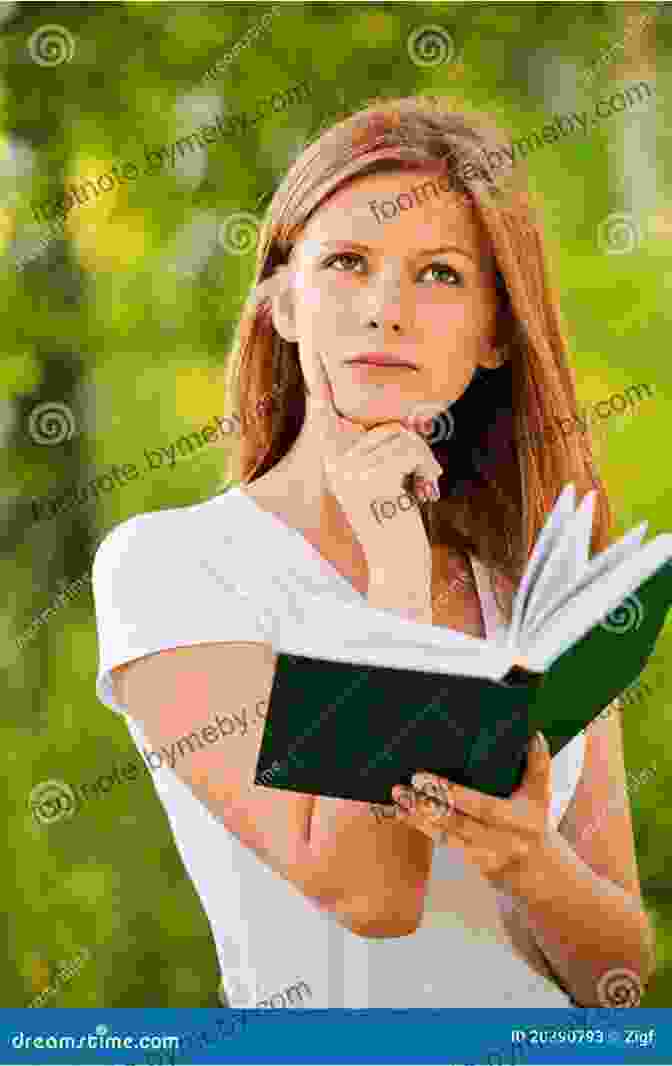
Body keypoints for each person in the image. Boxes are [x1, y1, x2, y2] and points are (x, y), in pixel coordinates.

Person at [92, 96, 655, 1009]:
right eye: (347, 263)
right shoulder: (172, 567)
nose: (385, 311)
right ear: (281, 301)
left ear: (495, 334)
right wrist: (394, 580)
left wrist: (530, 859)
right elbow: (372, 894)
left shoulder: (534, 588)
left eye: (439, 274)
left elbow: (621, 975)